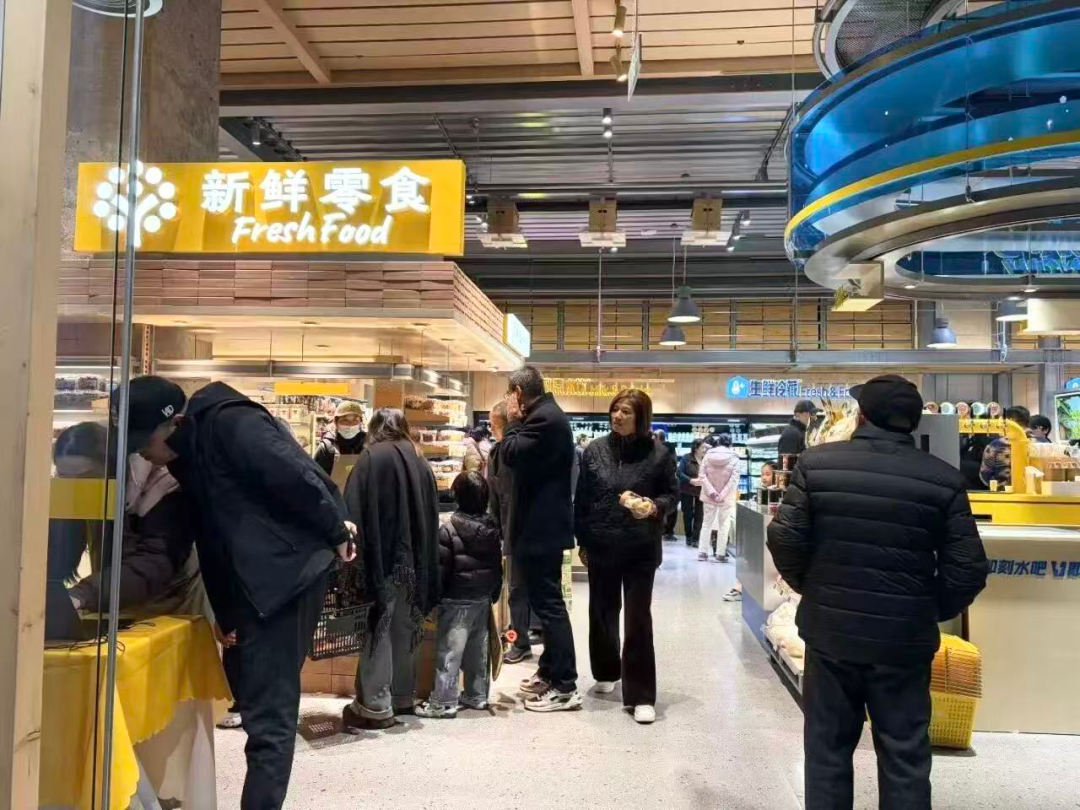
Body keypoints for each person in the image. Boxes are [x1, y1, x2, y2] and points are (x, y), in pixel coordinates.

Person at [127, 375, 356, 810]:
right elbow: (213, 537)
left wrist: (337, 532)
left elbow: (296, 477)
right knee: (256, 704)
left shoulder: (231, 424)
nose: (141, 452)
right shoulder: (189, 453)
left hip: (286, 580)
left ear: (173, 423)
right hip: (256, 584)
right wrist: (226, 611)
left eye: (143, 441)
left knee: (270, 718)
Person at [767, 374, 988, 810]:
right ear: (914, 422)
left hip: (831, 633)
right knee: (905, 754)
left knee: (827, 750)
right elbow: (968, 569)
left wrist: (813, 588)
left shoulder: (818, 464)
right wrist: (924, 609)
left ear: (862, 416)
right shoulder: (943, 479)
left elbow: (784, 539)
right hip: (903, 641)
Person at [575, 390, 678, 725]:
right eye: (615, 409)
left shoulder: (659, 454)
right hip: (602, 544)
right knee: (602, 613)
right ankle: (606, 671)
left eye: (626, 411)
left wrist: (654, 507)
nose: (617, 416)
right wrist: (583, 540)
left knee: (637, 620)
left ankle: (641, 695)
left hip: (640, 548)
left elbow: (672, 494)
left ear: (641, 417)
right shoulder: (594, 450)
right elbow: (583, 498)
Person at [342, 408, 440, 730]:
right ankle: (402, 697)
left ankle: (375, 705)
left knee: (378, 628)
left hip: (382, 562)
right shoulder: (420, 460)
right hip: (414, 563)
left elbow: (352, 513)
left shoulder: (371, 458)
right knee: (405, 627)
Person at [501, 365, 580, 712]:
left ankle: (565, 685)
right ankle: (550, 671)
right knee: (546, 604)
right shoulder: (546, 415)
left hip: (541, 530)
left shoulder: (544, 419)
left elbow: (509, 454)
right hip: (541, 528)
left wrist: (510, 421)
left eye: (509, 393)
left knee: (549, 606)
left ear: (518, 393)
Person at [415, 471, 503, 718]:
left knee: (450, 653)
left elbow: (441, 571)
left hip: (456, 600)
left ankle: (444, 702)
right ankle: (477, 695)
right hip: (482, 598)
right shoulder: (491, 528)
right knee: (478, 650)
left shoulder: (448, 529)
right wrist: (494, 592)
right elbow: (497, 566)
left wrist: (433, 599)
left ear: (457, 496)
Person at [488, 401, 534, 665]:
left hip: (520, 530)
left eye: (493, 424)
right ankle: (522, 637)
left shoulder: (510, 454)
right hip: (514, 530)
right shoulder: (500, 452)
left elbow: (502, 496)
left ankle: (521, 642)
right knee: (519, 588)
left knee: (518, 589)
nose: (491, 429)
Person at [698, 433, 740, 562]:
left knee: (706, 523)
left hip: (709, 496)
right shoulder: (735, 458)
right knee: (724, 525)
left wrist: (712, 492)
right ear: (730, 444)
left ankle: (702, 553)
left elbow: (702, 475)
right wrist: (722, 494)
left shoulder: (707, 456)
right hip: (726, 498)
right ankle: (720, 554)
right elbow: (734, 480)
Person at [980, 405, 1031, 487]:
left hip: (1002, 491)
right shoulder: (1037, 444)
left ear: (1009, 420)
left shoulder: (995, 446)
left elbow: (985, 474)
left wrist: (998, 486)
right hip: (1031, 491)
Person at [314, 400, 366, 476]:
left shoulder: (368, 445)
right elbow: (314, 477)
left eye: (355, 420)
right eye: (345, 420)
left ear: (360, 423)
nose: (350, 425)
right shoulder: (326, 448)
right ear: (336, 422)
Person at [677, 440, 706, 548]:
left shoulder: (706, 459)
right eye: (702, 448)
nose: (704, 450)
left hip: (701, 490)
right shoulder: (686, 458)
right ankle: (688, 536)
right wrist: (691, 480)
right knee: (687, 514)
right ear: (696, 448)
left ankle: (695, 539)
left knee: (699, 515)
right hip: (687, 490)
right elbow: (679, 473)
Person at [654, 430, 679, 541]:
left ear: (658, 438)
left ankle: (663, 530)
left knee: (659, 506)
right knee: (671, 508)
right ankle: (669, 531)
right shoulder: (671, 448)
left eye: (654, 437)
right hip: (670, 481)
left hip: (662, 482)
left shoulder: (660, 450)